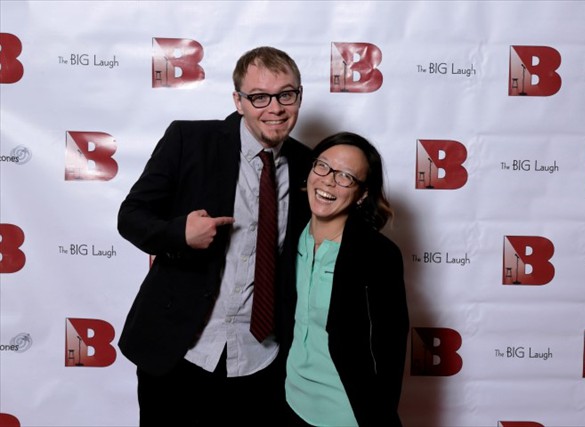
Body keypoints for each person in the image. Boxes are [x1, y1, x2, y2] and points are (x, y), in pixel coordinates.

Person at [117, 46, 311, 426]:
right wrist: (179, 233)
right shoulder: (189, 140)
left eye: (286, 95)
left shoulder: (309, 166)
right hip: (181, 353)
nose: (275, 108)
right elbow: (131, 216)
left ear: (299, 97)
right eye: (259, 97)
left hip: (263, 361)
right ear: (238, 101)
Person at [283, 132, 410, 426]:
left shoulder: (379, 255)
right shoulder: (289, 234)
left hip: (346, 413)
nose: (328, 181)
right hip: (290, 401)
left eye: (346, 177)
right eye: (323, 166)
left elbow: (389, 353)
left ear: (362, 194)